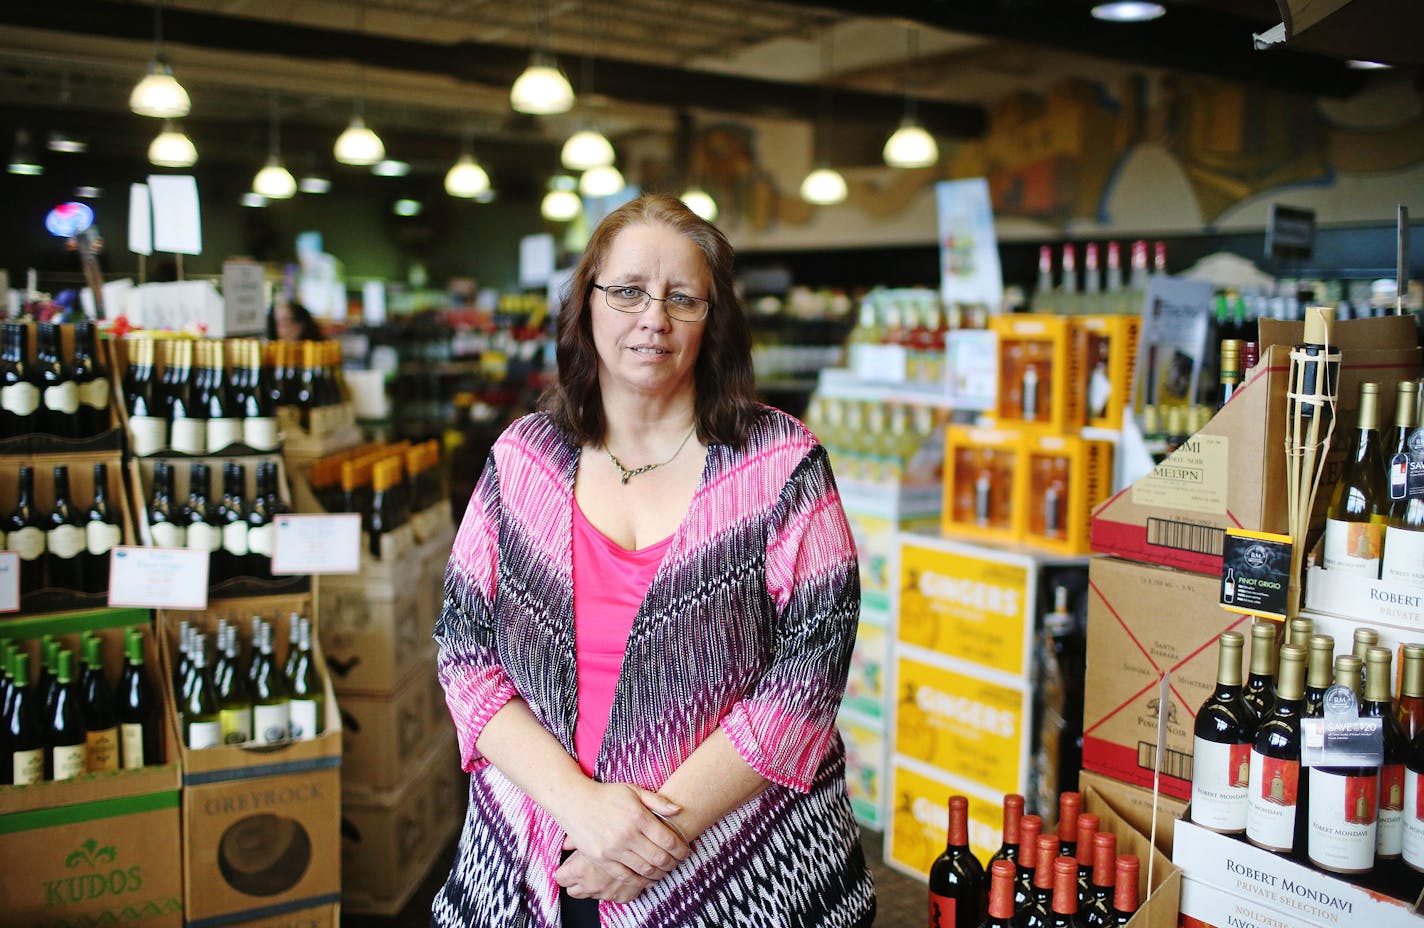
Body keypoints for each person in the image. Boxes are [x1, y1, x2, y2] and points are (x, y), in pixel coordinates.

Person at [432, 194, 874, 928]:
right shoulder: (523, 460)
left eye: (683, 298)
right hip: (535, 859)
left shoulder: (784, 464)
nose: (653, 318)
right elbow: (463, 650)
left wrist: (641, 840)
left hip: (745, 872)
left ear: (714, 318)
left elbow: (808, 680)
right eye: (629, 290)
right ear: (588, 304)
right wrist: (583, 808)